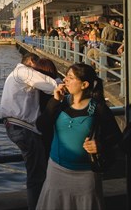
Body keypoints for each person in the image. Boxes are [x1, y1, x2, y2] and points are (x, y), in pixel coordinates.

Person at [36, 64, 122, 209]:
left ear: (84, 84)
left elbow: (116, 137)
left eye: (71, 77)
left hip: (86, 175)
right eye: (66, 76)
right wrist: (54, 101)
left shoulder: (98, 108)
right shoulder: (60, 102)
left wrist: (100, 145)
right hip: (56, 170)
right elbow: (41, 126)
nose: (65, 80)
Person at [0, 53, 59, 210]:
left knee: (36, 171)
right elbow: (50, 85)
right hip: (23, 127)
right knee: (37, 175)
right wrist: (67, 85)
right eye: (36, 67)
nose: (38, 71)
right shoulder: (23, 71)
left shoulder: (14, 75)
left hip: (15, 126)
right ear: (31, 62)